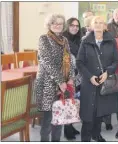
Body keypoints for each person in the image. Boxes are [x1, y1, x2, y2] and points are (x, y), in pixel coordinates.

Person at [76, 16, 118, 142]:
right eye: (96, 22)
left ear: (105, 26)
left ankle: (96, 134)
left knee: (100, 110)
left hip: (104, 81)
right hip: (89, 82)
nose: (99, 25)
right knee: (88, 111)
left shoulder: (111, 41)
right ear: (91, 25)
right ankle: (85, 138)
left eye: (101, 23)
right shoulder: (85, 41)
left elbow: (116, 61)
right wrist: (89, 76)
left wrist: (107, 72)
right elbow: (79, 62)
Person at [35, 13, 75, 142]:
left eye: (60, 23)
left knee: (59, 118)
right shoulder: (44, 39)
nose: (57, 25)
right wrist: (60, 82)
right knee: (48, 120)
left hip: (63, 83)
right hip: (47, 84)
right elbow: (47, 62)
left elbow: (70, 60)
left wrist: (70, 78)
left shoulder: (65, 40)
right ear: (49, 25)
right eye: (54, 23)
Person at [62, 17, 82, 140]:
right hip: (66, 76)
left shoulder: (79, 39)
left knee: (72, 102)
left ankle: (70, 125)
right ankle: (67, 129)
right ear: (67, 26)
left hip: (77, 75)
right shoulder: (63, 39)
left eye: (77, 26)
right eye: (72, 25)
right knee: (67, 102)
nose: (75, 27)